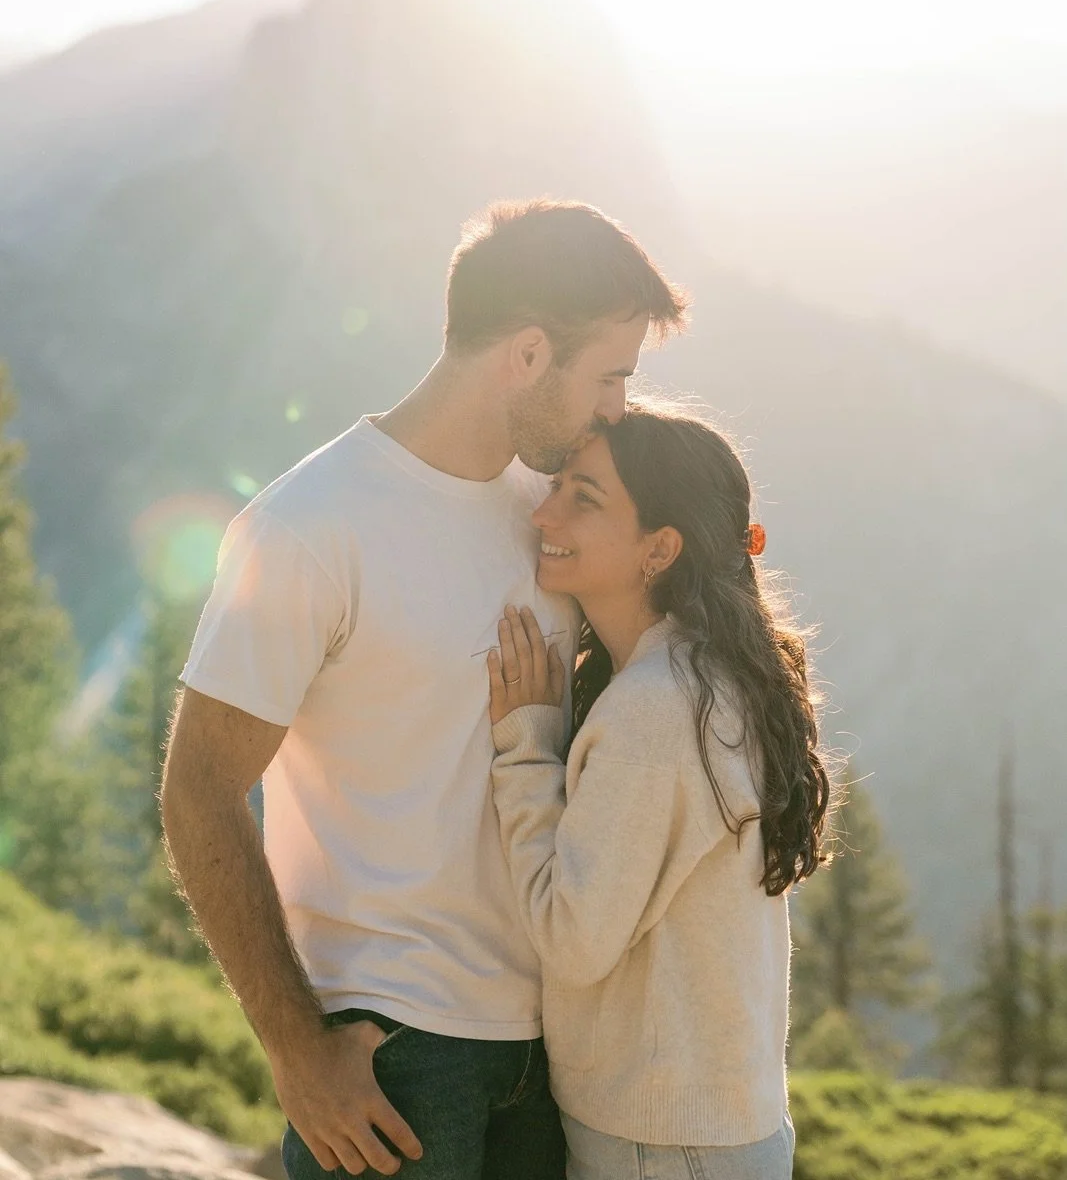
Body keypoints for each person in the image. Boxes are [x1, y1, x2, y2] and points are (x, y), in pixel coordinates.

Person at [160, 199, 687, 1180]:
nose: (618, 407)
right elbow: (197, 790)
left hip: (553, 1055)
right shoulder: (309, 528)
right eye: (608, 374)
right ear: (528, 354)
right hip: (394, 1064)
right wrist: (295, 1050)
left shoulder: (557, 517)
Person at [487, 400, 833, 1180]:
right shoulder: (706, 678)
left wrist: (525, 751)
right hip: (708, 1134)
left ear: (658, 549)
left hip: (661, 1146)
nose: (544, 512)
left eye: (584, 496)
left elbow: (574, 940)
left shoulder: (655, 708)